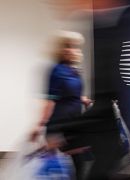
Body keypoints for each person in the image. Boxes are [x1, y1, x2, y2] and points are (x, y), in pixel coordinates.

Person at [33, 31, 92, 180]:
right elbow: (50, 99)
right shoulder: (56, 70)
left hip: (74, 122)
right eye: (67, 46)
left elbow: (71, 93)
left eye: (74, 46)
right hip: (58, 123)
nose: (71, 49)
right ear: (60, 49)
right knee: (53, 166)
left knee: (79, 162)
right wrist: (40, 125)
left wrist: (82, 99)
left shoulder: (74, 70)